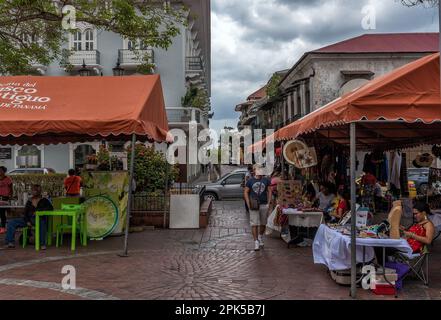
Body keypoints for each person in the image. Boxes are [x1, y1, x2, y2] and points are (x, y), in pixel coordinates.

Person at [3, 184, 53, 249]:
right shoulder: (29, 201)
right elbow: (25, 213)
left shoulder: (44, 200)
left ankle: (42, 244)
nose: (33, 191)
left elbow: (51, 208)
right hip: (28, 219)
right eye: (33, 190)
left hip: (39, 219)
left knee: (42, 223)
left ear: (39, 191)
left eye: (36, 190)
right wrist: (27, 221)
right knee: (11, 222)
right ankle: (10, 242)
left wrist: (39, 211)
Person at [244, 164, 272, 251]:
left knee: (263, 224)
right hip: (254, 205)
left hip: (263, 204)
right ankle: (256, 242)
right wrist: (248, 204)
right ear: (254, 170)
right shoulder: (250, 181)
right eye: (258, 169)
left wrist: (269, 202)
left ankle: (260, 237)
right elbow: (245, 192)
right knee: (254, 224)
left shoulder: (266, 180)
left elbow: (270, 190)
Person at [0, 166, 13, 234]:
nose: (0, 172)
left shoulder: (8, 179)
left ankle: (3, 227)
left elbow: (11, 188)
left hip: (5, 197)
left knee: (3, 212)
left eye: (1, 170)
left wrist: (11, 196)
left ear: (4, 171)